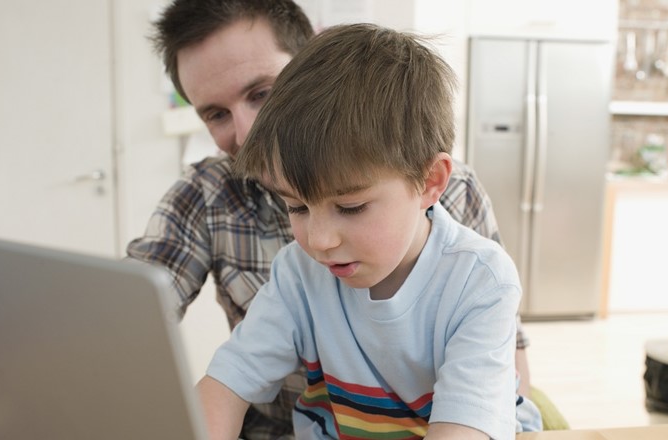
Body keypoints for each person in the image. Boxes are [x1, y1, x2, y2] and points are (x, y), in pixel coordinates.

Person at [128, 0, 537, 437]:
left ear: (430, 184)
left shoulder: (478, 274)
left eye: (351, 207)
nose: (319, 241)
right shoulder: (297, 271)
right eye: (296, 207)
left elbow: (480, 398)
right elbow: (223, 383)